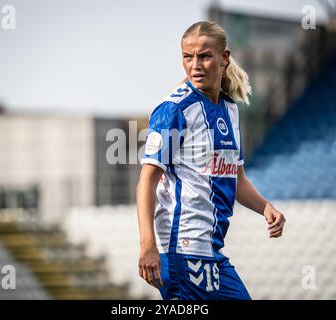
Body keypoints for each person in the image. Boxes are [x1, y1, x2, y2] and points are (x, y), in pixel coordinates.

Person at [136, 21, 286, 300]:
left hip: (212, 251)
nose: (195, 65)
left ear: (224, 58)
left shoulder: (230, 109)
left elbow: (236, 178)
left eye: (204, 56)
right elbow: (147, 181)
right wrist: (147, 246)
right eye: (187, 56)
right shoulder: (174, 109)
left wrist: (265, 207)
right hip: (182, 252)